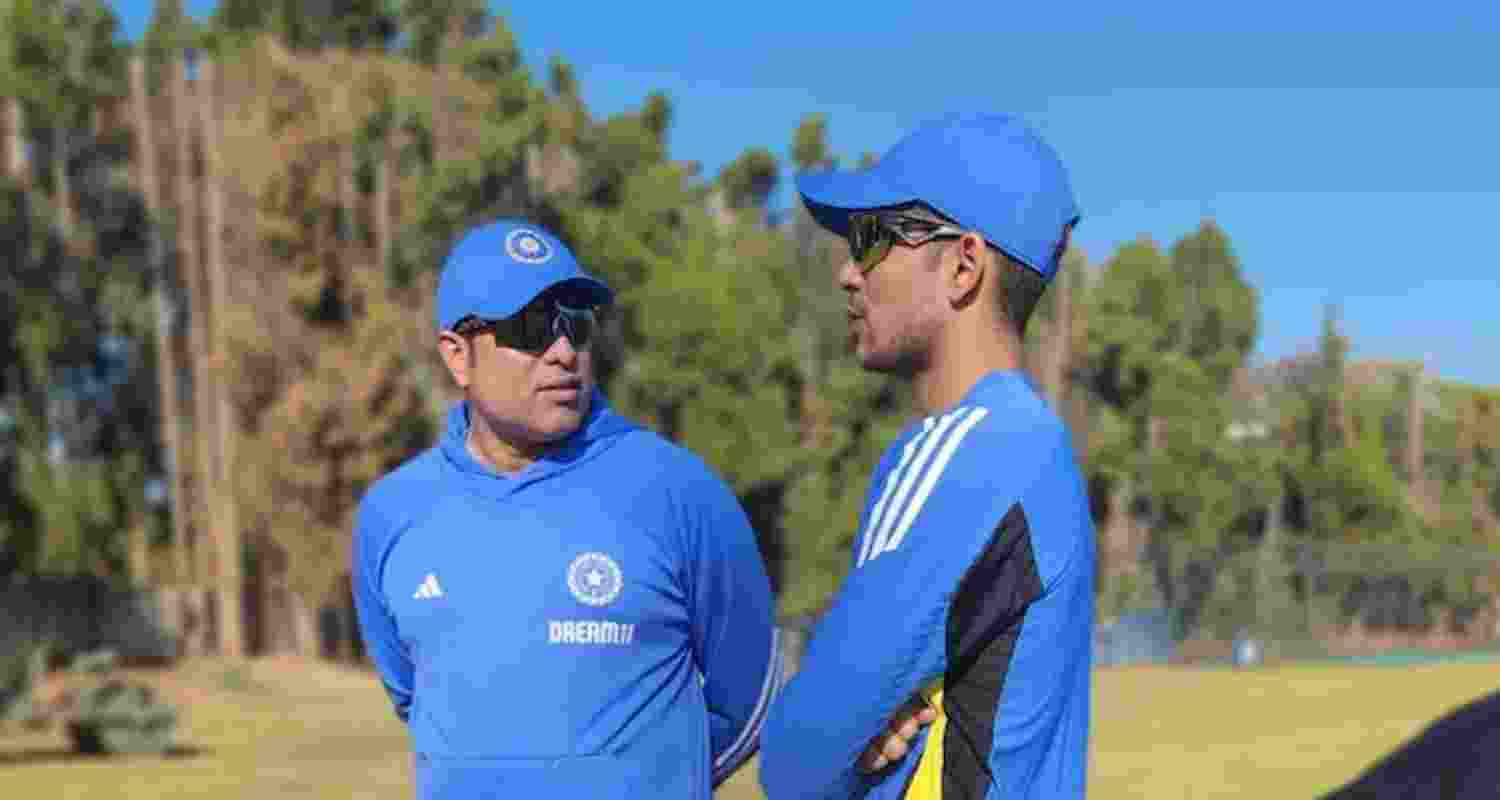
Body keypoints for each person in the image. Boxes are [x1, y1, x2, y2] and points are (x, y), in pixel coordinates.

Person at [351, 219, 781, 800]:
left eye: (574, 324)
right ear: (457, 356)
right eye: (530, 327)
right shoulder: (391, 515)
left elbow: (749, 695)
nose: (562, 353)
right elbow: (416, 697)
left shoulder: (679, 491)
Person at [759, 112, 1096, 800]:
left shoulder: (973, 454)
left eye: (874, 237)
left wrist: (846, 740)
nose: (850, 272)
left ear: (964, 265)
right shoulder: (1033, 444)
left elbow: (794, 760)